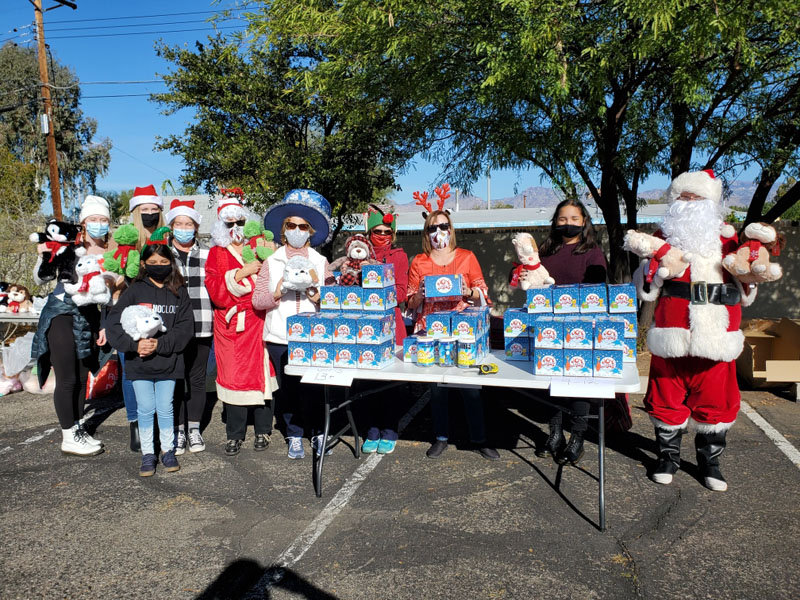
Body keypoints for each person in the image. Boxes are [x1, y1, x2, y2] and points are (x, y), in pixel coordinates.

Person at [632, 170, 759, 491]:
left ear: (711, 202)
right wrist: (653, 269)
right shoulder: (661, 237)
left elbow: (745, 289)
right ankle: (667, 457)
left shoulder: (730, 240)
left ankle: (710, 463)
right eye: (682, 197)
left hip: (716, 336)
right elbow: (644, 287)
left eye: (696, 197)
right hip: (671, 334)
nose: (688, 203)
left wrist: (750, 278)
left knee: (717, 403)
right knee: (665, 398)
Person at [406, 191, 499, 461]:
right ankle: (441, 437)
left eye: (443, 226)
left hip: (463, 329)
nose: (438, 231)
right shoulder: (419, 262)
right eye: (432, 227)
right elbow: (410, 301)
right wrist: (421, 295)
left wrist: (468, 292)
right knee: (437, 389)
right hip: (430, 330)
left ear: (451, 228)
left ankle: (480, 438)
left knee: (470, 388)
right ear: (426, 232)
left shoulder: (467, 257)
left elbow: (482, 292)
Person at [253, 189, 335, 460]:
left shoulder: (321, 262)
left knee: (315, 387)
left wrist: (317, 296)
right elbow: (258, 300)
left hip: (314, 335)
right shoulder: (271, 262)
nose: (297, 230)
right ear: (283, 229)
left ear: (310, 232)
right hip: (279, 337)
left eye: (303, 226)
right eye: (291, 225)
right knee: (288, 391)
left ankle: (318, 431)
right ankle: (294, 434)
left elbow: (333, 301)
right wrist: (276, 293)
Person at [31, 195, 115, 456]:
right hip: (61, 315)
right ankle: (68, 435)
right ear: (83, 222)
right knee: (67, 377)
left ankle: (78, 427)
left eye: (103, 219)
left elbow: (109, 296)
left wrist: (104, 324)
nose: (98, 223)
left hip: (89, 317)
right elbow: (39, 280)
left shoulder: (111, 252)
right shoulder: (66, 245)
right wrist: (42, 256)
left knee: (82, 376)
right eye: (93, 219)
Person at [107, 227, 194, 477]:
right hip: (139, 363)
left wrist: (161, 344)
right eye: (153, 262)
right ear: (144, 263)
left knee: (166, 407)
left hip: (169, 361)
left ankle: (167, 451)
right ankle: (148, 454)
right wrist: (134, 346)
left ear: (171, 264)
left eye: (164, 262)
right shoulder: (134, 291)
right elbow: (114, 323)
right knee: (145, 408)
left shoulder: (179, 291)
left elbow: (185, 327)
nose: (159, 266)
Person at [205, 190, 278, 457]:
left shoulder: (261, 246)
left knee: (262, 375)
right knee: (233, 376)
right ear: (221, 226)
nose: (235, 228)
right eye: (229, 223)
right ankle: (235, 434)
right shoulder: (216, 253)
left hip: (259, 320)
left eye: (240, 222)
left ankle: (262, 429)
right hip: (231, 323)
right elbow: (214, 288)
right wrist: (242, 272)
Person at [535, 198, 608, 466]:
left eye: (574, 219)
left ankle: (577, 438)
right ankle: (554, 434)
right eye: (562, 219)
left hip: (581, 328)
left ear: (584, 222)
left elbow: (597, 289)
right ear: (555, 222)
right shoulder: (545, 251)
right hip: (548, 328)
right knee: (550, 384)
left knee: (578, 385)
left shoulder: (592, 252)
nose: (568, 224)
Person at [118, 184, 166, 452]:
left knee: (159, 367)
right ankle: (136, 423)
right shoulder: (125, 240)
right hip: (131, 311)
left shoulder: (165, 238)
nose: (149, 213)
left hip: (161, 309)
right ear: (136, 211)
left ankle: (159, 421)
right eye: (144, 209)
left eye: (153, 209)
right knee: (131, 369)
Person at [360, 204, 408, 455]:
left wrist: (378, 289)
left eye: (387, 231)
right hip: (366, 323)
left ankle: (389, 431)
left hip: (391, 322)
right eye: (377, 231)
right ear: (368, 233)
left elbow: (401, 291)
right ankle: (371, 430)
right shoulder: (357, 254)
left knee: (390, 382)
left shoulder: (398, 256)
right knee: (366, 380)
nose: (382, 235)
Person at [166, 199, 213, 454]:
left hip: (203, 323)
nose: (184, 228)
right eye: (179, 224)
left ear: (195, 227)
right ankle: (178, 430)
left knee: (197, 378)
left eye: (189, 224)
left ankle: (194, 430)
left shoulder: (207, 253)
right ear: (172, 227)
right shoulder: (162, 254)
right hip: (172, 328)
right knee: (176, 379)